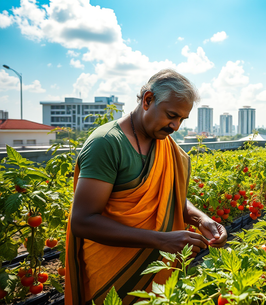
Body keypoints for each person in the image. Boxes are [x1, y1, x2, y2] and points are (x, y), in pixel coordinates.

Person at [64, 69, 227, 304]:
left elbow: (171, 198)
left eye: (182, 119)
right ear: (148, 100)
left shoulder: (165, 145)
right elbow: (83, 220)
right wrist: (161, 240)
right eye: (172, 115)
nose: (176, 126)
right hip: (112, 275)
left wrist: (202, 220)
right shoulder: (106, 144)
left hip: (158, 272)